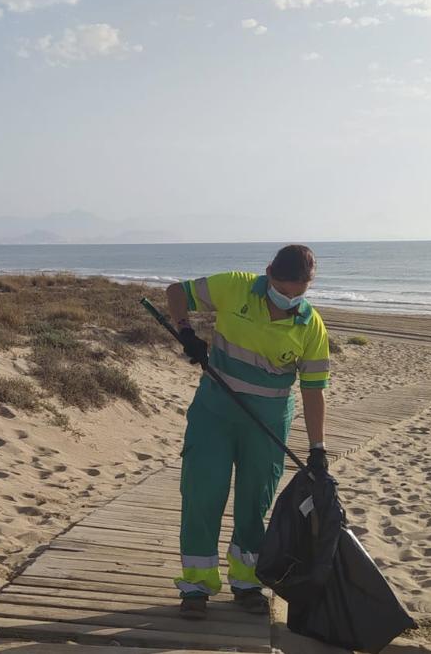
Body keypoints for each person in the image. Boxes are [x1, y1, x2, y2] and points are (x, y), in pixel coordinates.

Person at [165, 244, 331, 620]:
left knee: (255, 502)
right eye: (282, 289)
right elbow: (177, 292)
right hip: (214, 414)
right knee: (202, 493)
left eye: (297, 293)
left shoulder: (311, 325)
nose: (287, 299)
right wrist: (187, 332)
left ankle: (247, 583)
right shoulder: (235, 286)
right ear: (268, 272)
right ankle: (196, 585)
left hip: (268, 425)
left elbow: (313, 389)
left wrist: (318, 448)